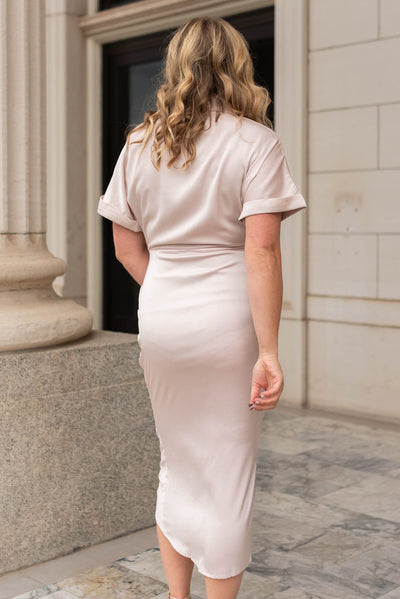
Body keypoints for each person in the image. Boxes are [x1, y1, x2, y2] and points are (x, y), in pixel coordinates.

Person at [97, 16, 306, 599]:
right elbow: (261, 249)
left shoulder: (139, 144)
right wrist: (269, 350)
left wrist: (163, 286)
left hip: (160, 319)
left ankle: (177, 595)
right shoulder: (255, 142)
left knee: (178, 461)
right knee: (227, 474)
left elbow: (123, 242)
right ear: (238, 65)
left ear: (177, 67)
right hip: (226, 324)